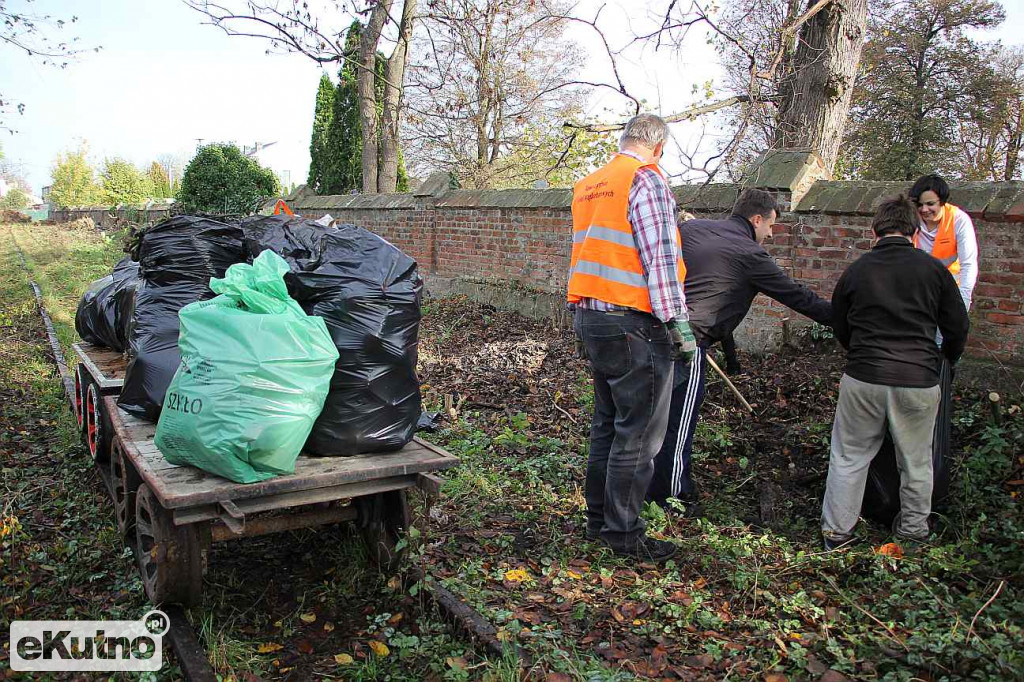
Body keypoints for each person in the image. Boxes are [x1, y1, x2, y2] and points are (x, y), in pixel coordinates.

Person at [647, 189, 832, 515]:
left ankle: (636, 490)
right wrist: (845, 318)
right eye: (770, 226)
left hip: (650, 332)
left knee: (649, 420)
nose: (771, 234)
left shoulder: (693, 229)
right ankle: (671, 501)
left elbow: (716, 294)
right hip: (687, 347)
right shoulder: (750, 254)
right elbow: (799, 298)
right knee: (678, 426)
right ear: (756, 219)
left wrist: (733, 360)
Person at [569, 113, 696, 563]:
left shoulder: (591, 184)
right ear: (658, 148)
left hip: (591, 316)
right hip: (634, 325)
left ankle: (598, 519)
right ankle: (623, 535)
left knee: (609, 425)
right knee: (639, 434)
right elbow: (659, 258)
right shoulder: (647, 180)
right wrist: (678, 323)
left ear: (624, 140)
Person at [822, 195, 969, 550]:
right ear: (915, 230)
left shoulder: (857, 270)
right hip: (918, 380)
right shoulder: (934, 270)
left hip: (864, 377)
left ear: (875, 230)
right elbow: (958, 325)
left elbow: (839, 322)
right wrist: (944, 358)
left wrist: (859, 354)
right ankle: (913, 533)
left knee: (849, 456)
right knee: (916, 462)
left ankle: (837, 534)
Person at [909, 173, 979, 310]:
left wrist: (963, 302)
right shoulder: (910, 218)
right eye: (919, 204)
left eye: (930, 204)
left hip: (949, 290)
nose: (924, 210)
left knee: (944, 331)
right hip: (916, 292)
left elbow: (968, 264)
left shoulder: (959, 220)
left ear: (942, 201)